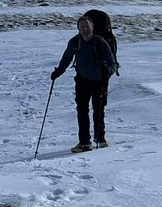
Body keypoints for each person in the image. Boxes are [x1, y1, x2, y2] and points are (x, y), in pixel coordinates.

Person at [50, 14, 117, 152]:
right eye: (82, 27)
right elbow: (67, 58)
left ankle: (100, 138)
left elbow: (113, 63)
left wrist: (107, 72)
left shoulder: (100, 42)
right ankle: (85, 142)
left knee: (98, 110)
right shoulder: (75, 42)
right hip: (82, 80)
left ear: (92, 27)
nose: (85, 29)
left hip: (99, 82)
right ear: (78, 28)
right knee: (82, 111)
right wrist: (58, 71)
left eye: (87, 26)